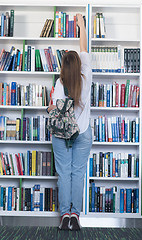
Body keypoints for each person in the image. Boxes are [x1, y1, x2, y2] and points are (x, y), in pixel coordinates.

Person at [47, 13, 92, 230]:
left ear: (64, 68)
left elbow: (54, 109)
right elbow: (84, 48)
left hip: (61, 135)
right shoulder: (87, 75)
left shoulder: (59, 83)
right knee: (78, 173)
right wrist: (82, 25)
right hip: (83, 133)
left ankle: (64, 216)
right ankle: (76, 214)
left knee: (64, 174)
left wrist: (51, 106)